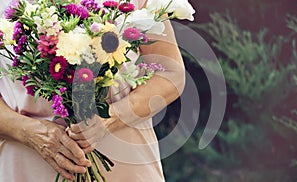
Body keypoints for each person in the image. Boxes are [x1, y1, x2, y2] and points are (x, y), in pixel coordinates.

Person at [0, 0, 185, 181]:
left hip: (125, 159)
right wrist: (30, 132)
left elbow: (171, 73)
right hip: (27, 164)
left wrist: (110, 119)